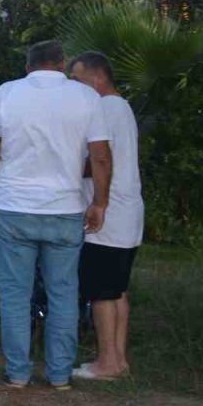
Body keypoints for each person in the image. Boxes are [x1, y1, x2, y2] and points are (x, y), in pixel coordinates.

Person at [0, 40, 112, 390]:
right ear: (63, 64)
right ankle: (59, 375)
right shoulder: (86, 98)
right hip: (65, 209)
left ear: (28, 66)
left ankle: (18, 372)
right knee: (64, 293)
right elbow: (100, 157)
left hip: (13, 208)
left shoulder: (7, 93)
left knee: (14, 294)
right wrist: (99, 203)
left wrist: (2, 177)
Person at [69, 51, 143, 381]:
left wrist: (65, 163)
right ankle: (118, 359)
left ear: (97, 78)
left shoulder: (104, 107)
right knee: (117, 290)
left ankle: (107, 363)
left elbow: (101, 158)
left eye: (78, 81)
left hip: (108, 213)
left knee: (101, 291)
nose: (74, 88)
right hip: (125, 212)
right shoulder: (121, 106)